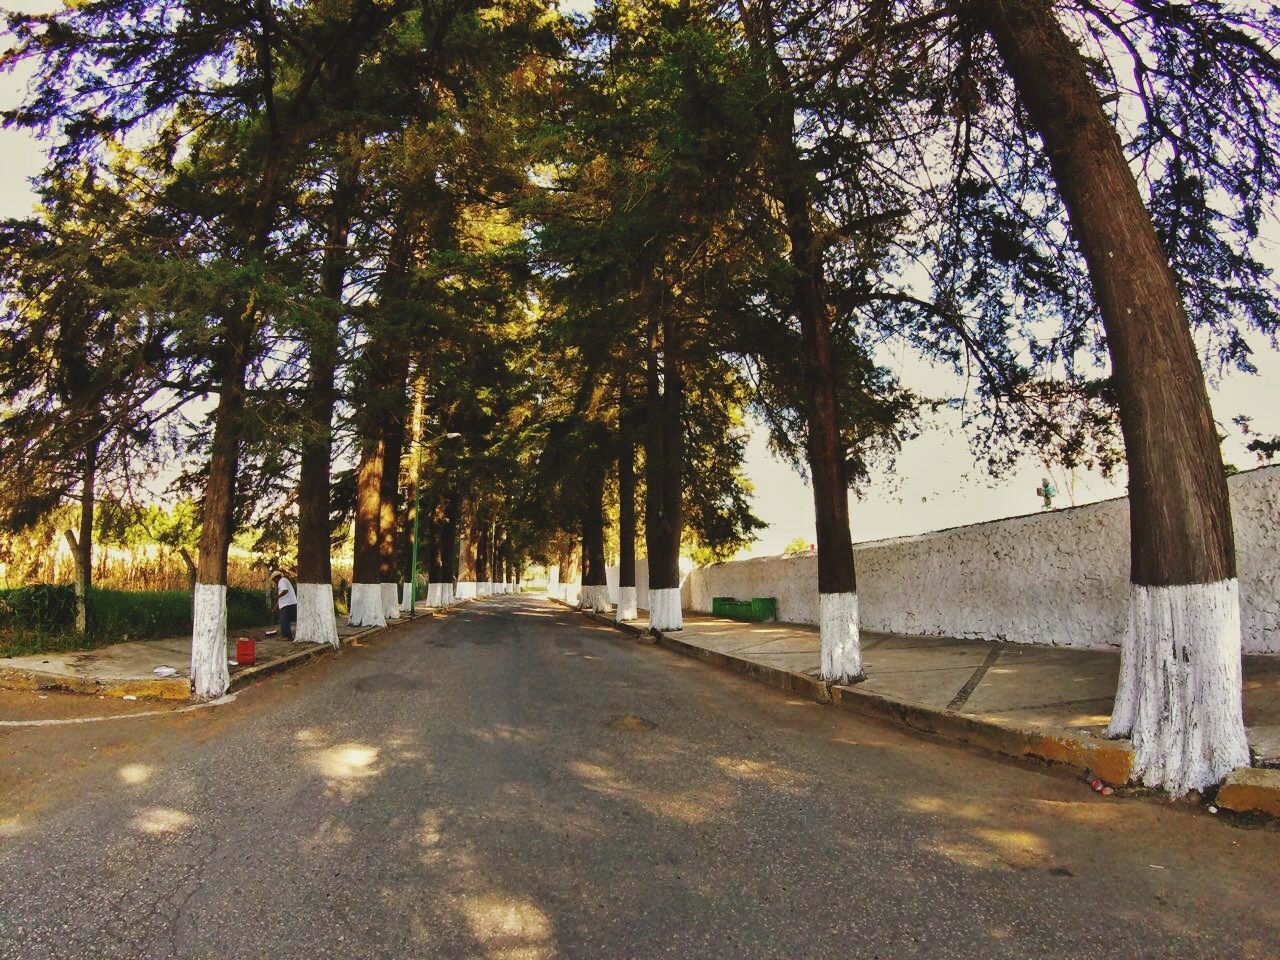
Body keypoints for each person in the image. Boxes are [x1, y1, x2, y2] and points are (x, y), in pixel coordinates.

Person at [273, 570, 298, 641]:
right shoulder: (282, 582)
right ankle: (285, 636)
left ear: (276, 578)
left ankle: (288, 636)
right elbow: (281, 597)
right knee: (283, 620)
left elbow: (285, 591)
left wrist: (277, 596)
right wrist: (276, 606)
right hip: (286, 604)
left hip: (288, 604)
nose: (274, 582)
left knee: (284, 620)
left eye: (274, 580)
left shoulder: (282, 580)